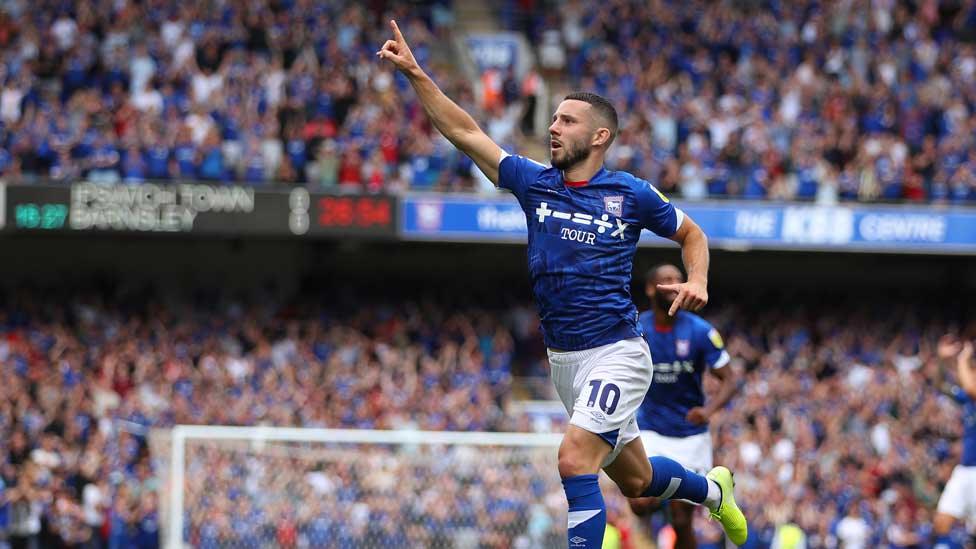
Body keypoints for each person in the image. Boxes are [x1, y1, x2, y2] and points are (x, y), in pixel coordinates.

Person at [378, 20, 747, 548]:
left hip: (617, 352)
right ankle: (714, 492)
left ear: (599, 137)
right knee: (638, 482)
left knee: (574, 459)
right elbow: (465, 133)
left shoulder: (631, 193)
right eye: (553, 117)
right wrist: (416, 74)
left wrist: (700, 281)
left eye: (567, 120)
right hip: (565, 362)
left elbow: (693, 234)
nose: (554, 126)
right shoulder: (536, 183)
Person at [628, 264, 740, 548]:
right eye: (667, 280)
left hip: (690, 435)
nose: (676, 284)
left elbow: (729, 379)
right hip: (651, 428)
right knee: (639, 501)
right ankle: (663, 498)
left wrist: (709, 410)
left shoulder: (700, 331)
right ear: (651, 288)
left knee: (682, 519)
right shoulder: (635, 328)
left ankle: (672, 501)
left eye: (679, 279)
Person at [933, 336, 976, 549]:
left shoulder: (971, 391)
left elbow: (969, 387)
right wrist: (942, 360)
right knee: (941, 522)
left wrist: (962, 359)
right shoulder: (968, 399)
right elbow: (940, 385)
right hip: (965, 469)